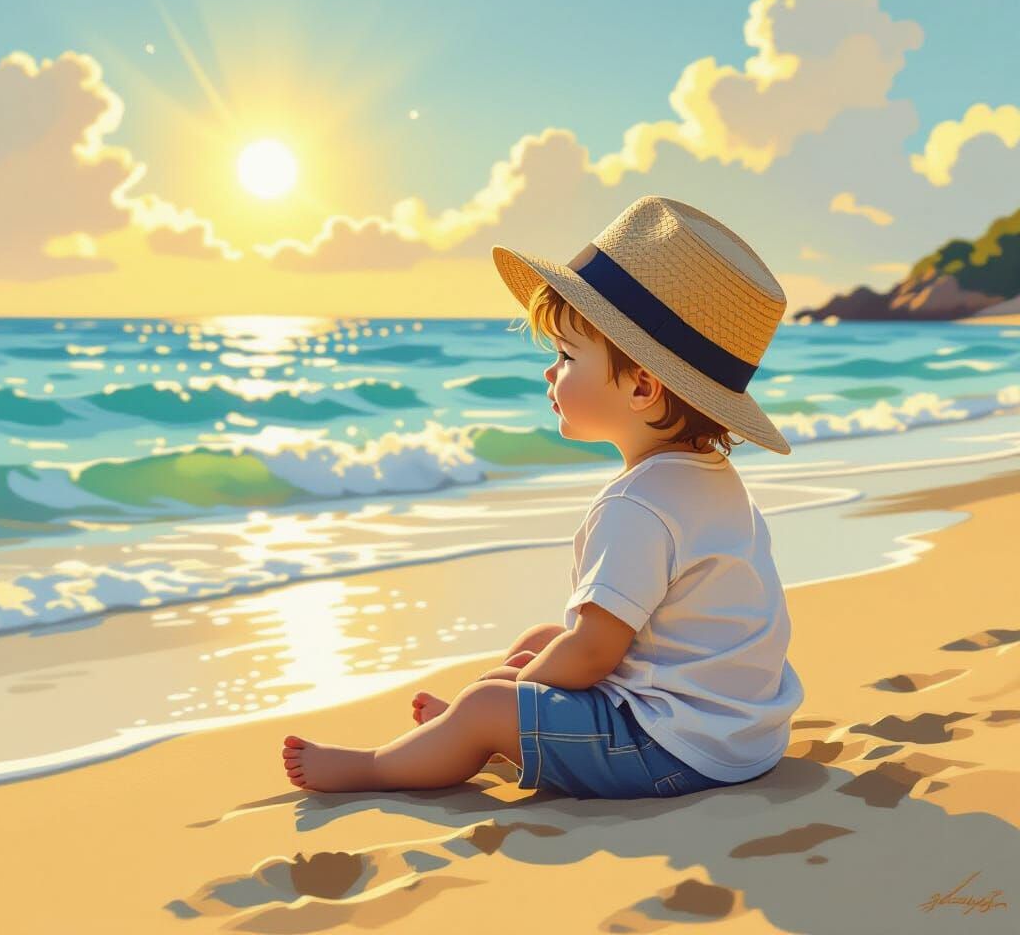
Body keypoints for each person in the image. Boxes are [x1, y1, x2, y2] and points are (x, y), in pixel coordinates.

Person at [281, 195, 804, 797]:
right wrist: (528, 673)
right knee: (537, 641)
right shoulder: (710, 477)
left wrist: (514, 691)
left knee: (490, 702)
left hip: (672, 748)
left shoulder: (636, 507)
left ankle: (384, 763)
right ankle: (468, 731)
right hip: (742, 735)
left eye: (565, 356)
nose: (549, 374)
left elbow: (592, 656)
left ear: (641, 385)